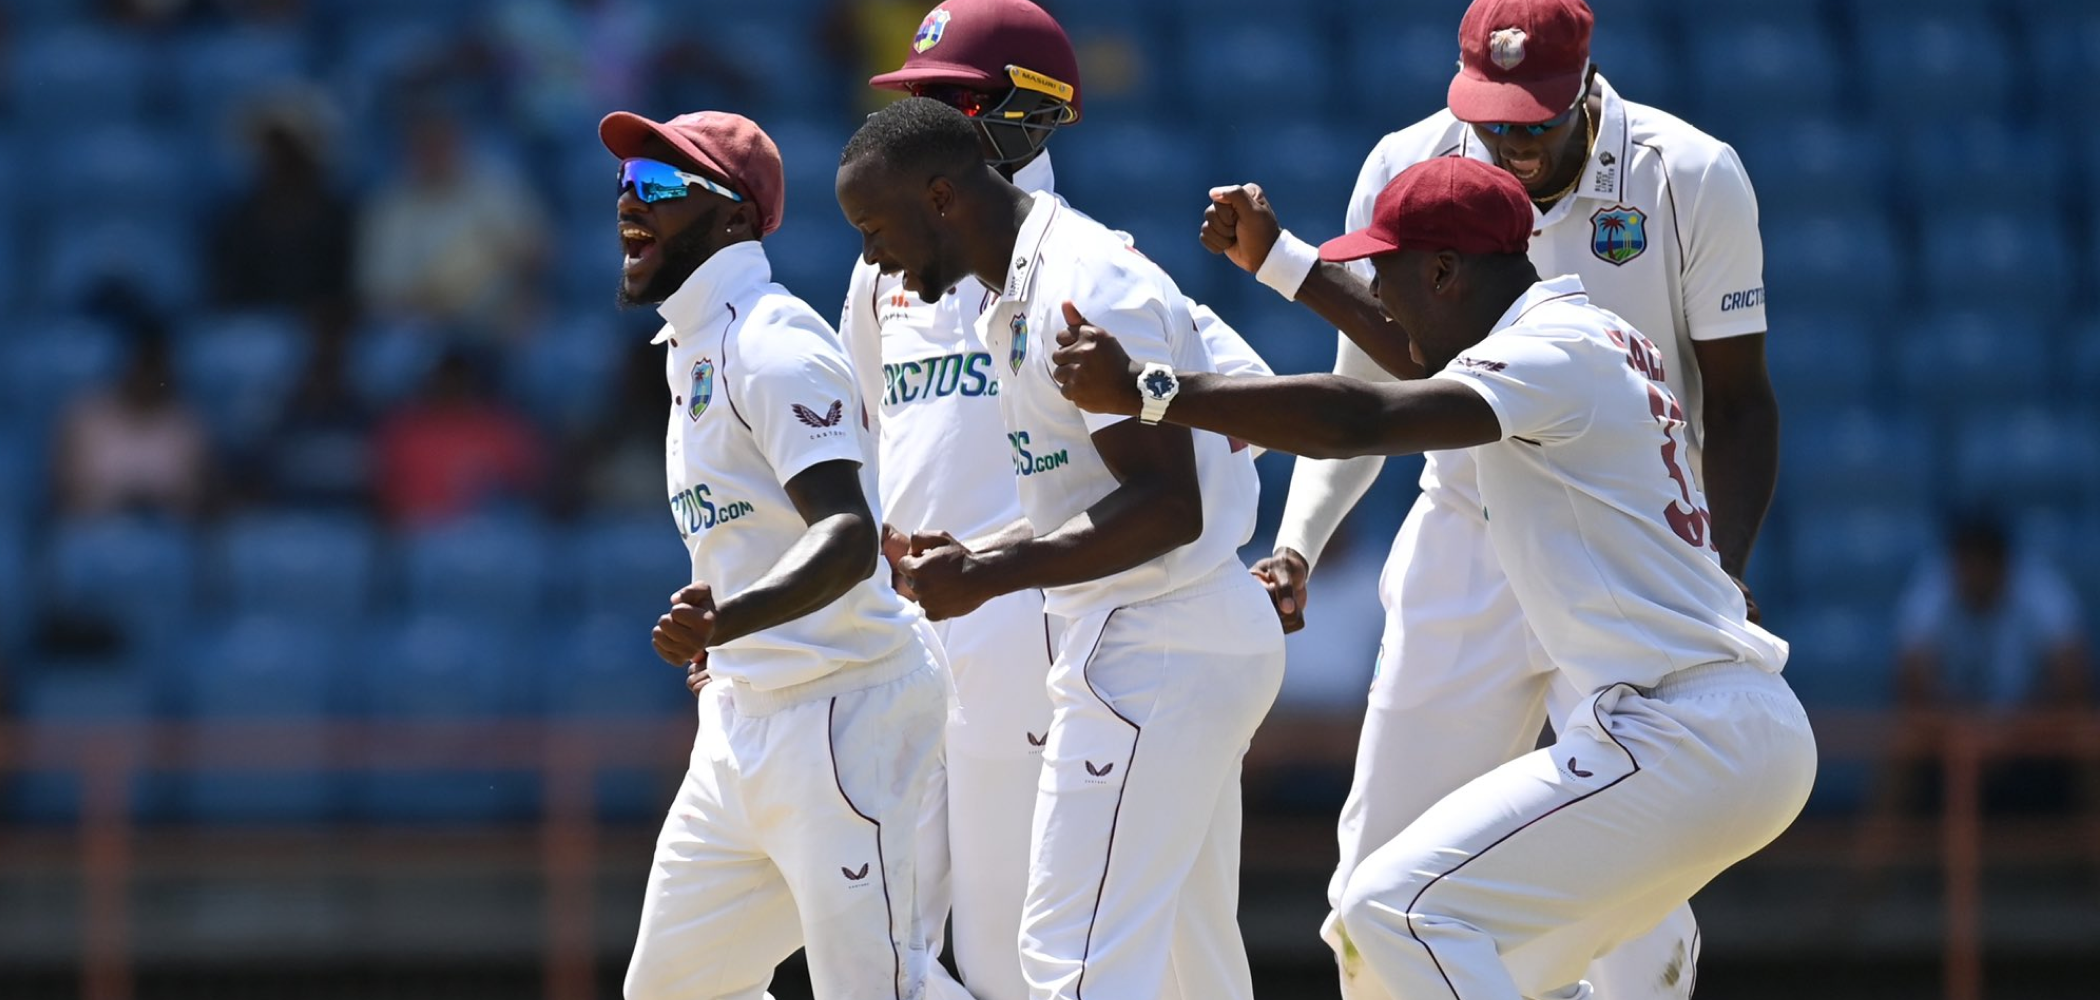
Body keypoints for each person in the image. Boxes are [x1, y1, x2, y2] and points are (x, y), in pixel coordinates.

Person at [1052, 155, 1815, 1000]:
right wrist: (1284, 264)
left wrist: (1148, 390)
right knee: (1472, 958)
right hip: (1711, 730)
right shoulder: (1585, 335)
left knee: (1394, 912)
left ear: (1446, 272)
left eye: (1387, 272)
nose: (1380, 294)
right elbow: (1411, 362)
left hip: (1684, 734)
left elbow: (1364, 413)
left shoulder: (1551, 353)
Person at [1202, 0, 1778, 993]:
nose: (1509, 143)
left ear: (1587, 86)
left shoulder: (1689, 174)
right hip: (1468, 525)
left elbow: (1739, 401)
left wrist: (1715, 573)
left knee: (1626, 871)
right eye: (1490, 118)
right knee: (1370, 899)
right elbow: (1375, 387)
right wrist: (1298, 542)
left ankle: (1654, 952)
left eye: (1534, 121)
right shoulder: (1409, 161)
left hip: (1623, 541)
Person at [838, 4, 1270, 998]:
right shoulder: (907, 275)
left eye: (946, 102)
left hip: (1058, 621)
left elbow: (1228, 433)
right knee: (1172, 955)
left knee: (1036, 954)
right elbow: (869, 440)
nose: (919, 122)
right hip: (943, 620)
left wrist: (1285, 543)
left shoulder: (1087, 276)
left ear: (1022, 117)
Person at [603, 108, 955, 1000]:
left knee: (880, 990)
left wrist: (730, 620)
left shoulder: (774, 343)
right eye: (625, 186)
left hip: (842, 712)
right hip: (742, 720)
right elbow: (748, 529)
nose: (628, 207)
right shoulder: (692, 347)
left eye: (657, 188)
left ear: (732, 218)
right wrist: (729, 635)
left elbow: (845, 538)